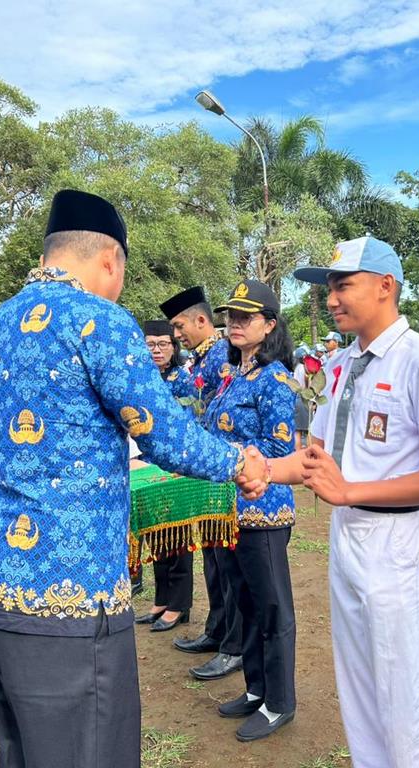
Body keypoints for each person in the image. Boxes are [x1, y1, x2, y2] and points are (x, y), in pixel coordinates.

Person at [0, 189, 268, 768]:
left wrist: (27, 477)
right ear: (110, 261)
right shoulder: (100, 321)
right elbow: (164, 435)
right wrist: (241, 463)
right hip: (73, 591)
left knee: (22, 750)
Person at [248, 236, 419, 767]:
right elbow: (317, 459)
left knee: (405, 692)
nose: (331, 299)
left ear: (385, 286)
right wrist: (256, 470)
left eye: (343, 286)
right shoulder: (344, 363)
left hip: (400, 542)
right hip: (349, 534)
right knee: (360, 684)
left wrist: (351, 492)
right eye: (329, 288)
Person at [205, 280, 298, 742]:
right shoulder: (234, 376)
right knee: (243, 601)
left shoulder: (275, 379)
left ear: (270, 325)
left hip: (262, 509)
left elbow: (279, 447)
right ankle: (256, 689)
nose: (235, 324)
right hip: (228, 508)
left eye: (246, 317)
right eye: (231, 316)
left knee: (272, 606)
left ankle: (279, 702)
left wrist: (227, 456)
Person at [161, 286, 244, 680]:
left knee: (228, 563)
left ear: (200, 320)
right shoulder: (200, 358)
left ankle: (234, 646)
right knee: (212, 558)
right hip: (204, 472)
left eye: (180, 327)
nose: (177, 335)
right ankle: (216, 629)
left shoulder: (223, 355)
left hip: (223, 471)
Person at [133, 319, 194, 632]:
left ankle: (179, 604)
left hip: (173, 466)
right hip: (145, 467)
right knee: (156, 533)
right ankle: (161, 599)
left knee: (177, 535)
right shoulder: (141, 378)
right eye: (150, 344)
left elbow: (187, 422)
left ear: (174, 346)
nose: (156, 350)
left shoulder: (182, 380)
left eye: (163, 344)